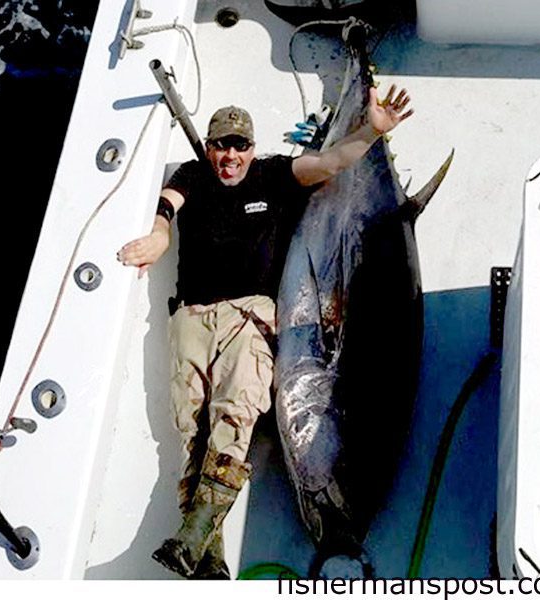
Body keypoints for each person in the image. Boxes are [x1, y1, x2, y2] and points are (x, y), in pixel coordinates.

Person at [117, 83, 413, 579]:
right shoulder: (193, 175)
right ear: (209, 147)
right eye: (220, 145)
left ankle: (192, 536)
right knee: (191, 431)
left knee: (235, 417)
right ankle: (206, 553)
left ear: (252, 149)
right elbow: (167, 207)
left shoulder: (274, 174)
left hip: (250, 317)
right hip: (190, 317)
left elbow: (332, 163)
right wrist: (158, 235)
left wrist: (370, 131)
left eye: (239, 146)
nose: (229, 155)